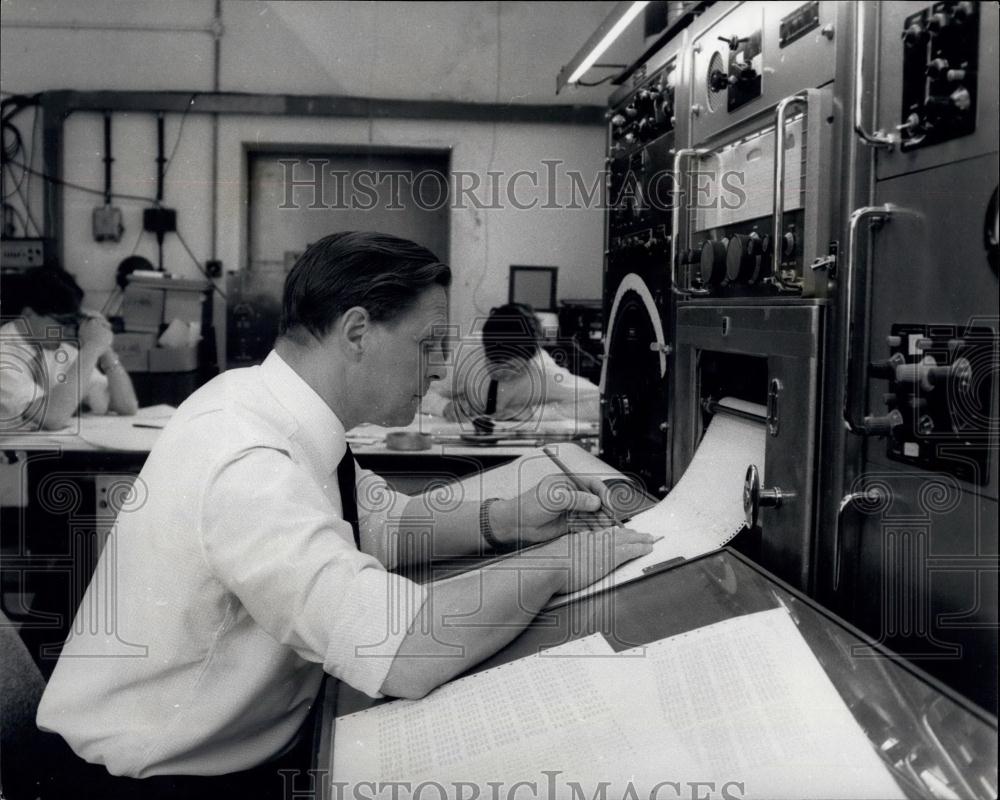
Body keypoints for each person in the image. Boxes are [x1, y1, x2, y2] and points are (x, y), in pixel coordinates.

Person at [35, 232, 652, 798]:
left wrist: (507, 520)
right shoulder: (250, 458)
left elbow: (388, 525)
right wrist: (558, 563)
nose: (440, 368)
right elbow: (408, 652)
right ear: (357, 332)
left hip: (228, 748)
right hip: (150, 780)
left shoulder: (269, 407)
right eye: (429, 344)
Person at [0, 267, 138, 431]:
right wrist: (92, 348)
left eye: (72, 322)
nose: (67, 331)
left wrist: (105, 349)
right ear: (29, 313)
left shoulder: (59, 350)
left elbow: (126, 406)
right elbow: (51, 417)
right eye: (62, 322)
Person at [420, 302, 601, 426]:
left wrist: (533, 414)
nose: (500, 374)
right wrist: (444, 407)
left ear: (530, 359)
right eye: (493, 362)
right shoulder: (468, 350)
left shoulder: (543, 369)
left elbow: (599, 404)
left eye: (513, 368)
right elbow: (422, 391)